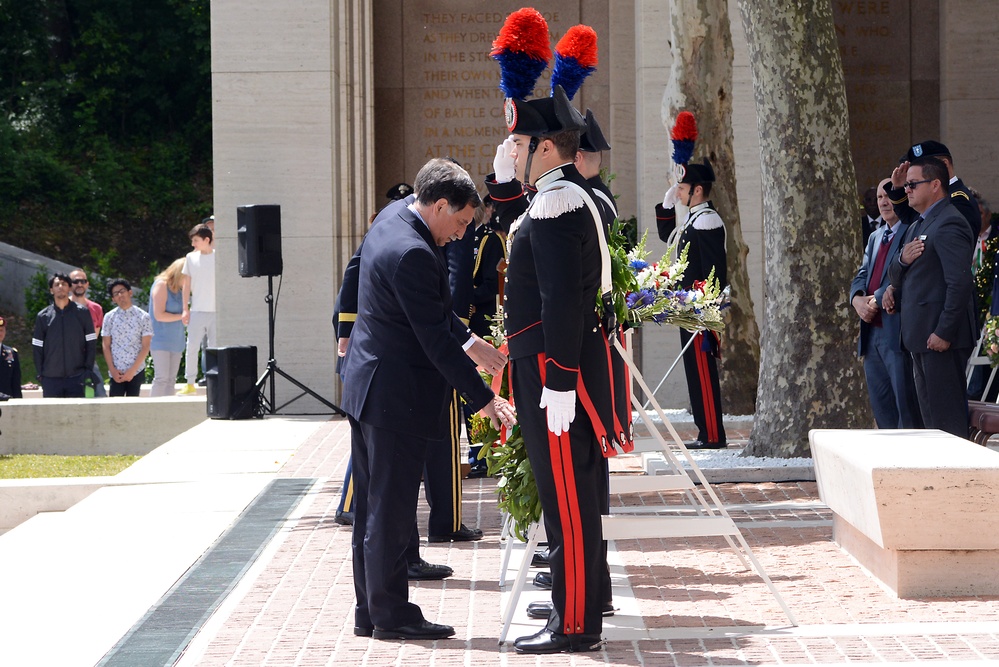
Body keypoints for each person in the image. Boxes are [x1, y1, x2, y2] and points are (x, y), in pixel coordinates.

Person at [340, 158, 515, 641]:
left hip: (370, 387)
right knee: (391, 511)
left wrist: (472, 343)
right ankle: (391, 616)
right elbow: (433, 337)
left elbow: (432, 316)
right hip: (396, 396)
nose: (461, 235)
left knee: (375, 509)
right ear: (439, 205)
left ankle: (371, 611)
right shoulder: (413, 252)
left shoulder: (395, 216)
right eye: (459, 222)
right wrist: (482, 399)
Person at [500, 83, 615, 654]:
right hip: (550, 363)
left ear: (546, 147)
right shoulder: (554, 197)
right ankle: (579, 607)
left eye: (519, 142)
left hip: (552, 367)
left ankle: (575, 623)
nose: (512, 151)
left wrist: (561, 378)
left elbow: (562, 299)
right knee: (567, 494)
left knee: (567, 496)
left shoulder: (556, 203)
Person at [884, 157, 977, 437]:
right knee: (930, 423)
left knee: (947, 423)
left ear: (935, 185)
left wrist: (944, 332)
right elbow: (897, 271)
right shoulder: (919, 224)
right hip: (920, 336)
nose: (907, 190)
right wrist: (896, 277)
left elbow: (959, 283)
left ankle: (959, 478)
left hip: (940, 339)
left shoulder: (949, 222)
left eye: (913, 184)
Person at [656, 158, 728, 449]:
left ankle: (712, 434)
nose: (678, 192)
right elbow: (668, 237)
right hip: (688, 309)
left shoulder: (708, 220)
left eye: (682, 188)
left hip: (699, 310)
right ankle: (705, 431)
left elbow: (714, 271)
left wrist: (705, 305)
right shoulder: (694, 218)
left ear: (697, 190)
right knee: (694, 371)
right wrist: (667, 206)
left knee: (702, 372)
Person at [849, 178, 922, 429]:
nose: (883, 202)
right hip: (871, 335)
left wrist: (876, 299)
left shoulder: (912, 230)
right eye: (879, 197)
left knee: (905, 408)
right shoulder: (875, 236)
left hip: (896, 331)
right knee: (882, 409)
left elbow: (909, 277)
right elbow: (862, 274)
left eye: (888, 196)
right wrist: (856, 299)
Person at [883, 140, 979, 238]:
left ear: (944, 164)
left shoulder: (959, 200)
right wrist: (899, 188)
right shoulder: (933, 195)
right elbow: (910, 218)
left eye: (925, 168)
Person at [32, 273, 97, 398]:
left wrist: (88, 370)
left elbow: (91, 343)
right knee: (51, 417)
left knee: (76, 416)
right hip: (51, 379)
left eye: (64, 284)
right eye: (57, 284)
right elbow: (37, 347)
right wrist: (41, 373)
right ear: (51, 290)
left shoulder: (82, 313)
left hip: (77, 377)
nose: (60, 287)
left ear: (69, 288)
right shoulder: (43, 316)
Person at [178, 224, 216, 395]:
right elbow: (186, 285)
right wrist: (185, 309)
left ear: (206, 240)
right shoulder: (190, 258)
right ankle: (190, 383)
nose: (193, 244)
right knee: (192, 346)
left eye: (196, 240)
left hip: (217, 312)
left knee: (215, 348)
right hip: (197, 310)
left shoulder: (219, 258)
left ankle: (216, 382)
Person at [102, 279, 153, 397]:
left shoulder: (143, 317)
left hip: (136, 370)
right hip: (116, 372)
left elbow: (146, 346)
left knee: (133, 409)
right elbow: (106, 345)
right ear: (113, 299)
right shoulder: (109, 317)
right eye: (116, 294)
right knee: (115, 408)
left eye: (122, 291)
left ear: (130, 293)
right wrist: (112, 370)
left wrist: (132, 370)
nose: (120, 295)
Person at [149, 259, 187, 397]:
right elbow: (159, 315)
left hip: (176, 340)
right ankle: (153, 411)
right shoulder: (161, 285)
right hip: (160, 340)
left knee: (171, 380)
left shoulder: (180, 289)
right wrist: (182, 316)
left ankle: (167, 408)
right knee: (162, 378)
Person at [68, 268, 107, 397]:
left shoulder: (96, 309)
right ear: (69, 284)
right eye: (76, 281)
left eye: (83, 281)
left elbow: (94, 338)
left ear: (87, 284)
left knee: (100, 397)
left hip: (88, 361)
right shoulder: (62, 306)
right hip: (66, 361)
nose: (80, 284)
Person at [0, 315, 23, 399]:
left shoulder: (11, 353)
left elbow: (15, 383)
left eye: (2, 330)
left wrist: (18, 403)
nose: (0, 333)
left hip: (8, 401)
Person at [860, 186, 882, 253]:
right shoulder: (859, 224)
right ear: (863, 203)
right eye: (869, 200)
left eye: (876, 200)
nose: (872, 203)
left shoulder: (890, 223)